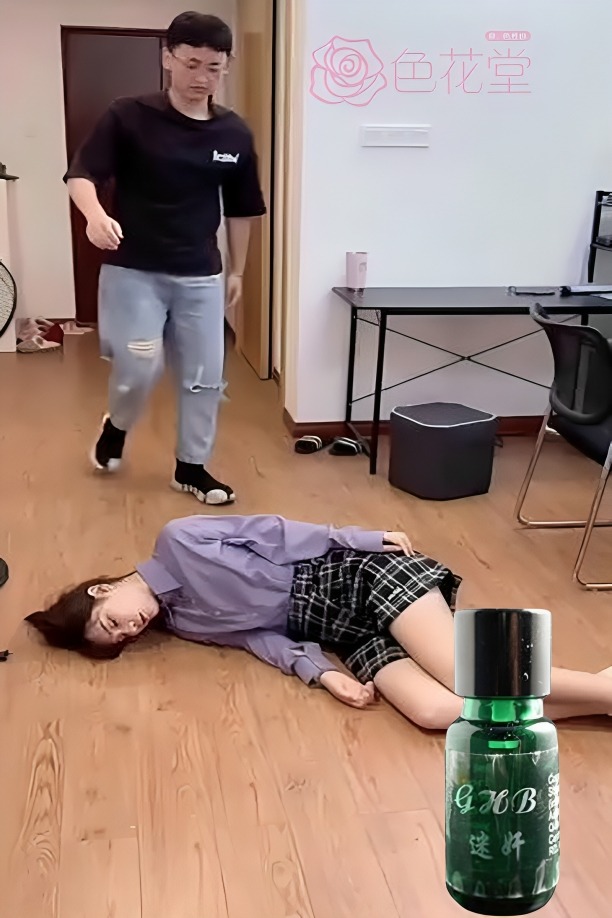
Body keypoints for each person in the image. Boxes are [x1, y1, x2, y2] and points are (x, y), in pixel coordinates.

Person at [25, 514, 612, 729]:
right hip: (343, 632)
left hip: (358, 578)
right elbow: (260, 639)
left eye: (111, 623)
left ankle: (605, 690)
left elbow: (275, 533)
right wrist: (323, 674)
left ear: (102, 590)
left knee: (464, 674)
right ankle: (599, 700)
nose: (128, 630)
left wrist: (361, 537)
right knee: (435, 712)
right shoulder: (184, 622)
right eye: (121, 640)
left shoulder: (179, 539)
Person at [64, 12, 266, 505]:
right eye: (192, 64)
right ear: (168, 59)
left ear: (227, 66)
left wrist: (238, 271)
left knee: (204, 380)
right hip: (134, 270)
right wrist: (94, 215)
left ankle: (191, 468)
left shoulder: (234, 134)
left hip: (200, 274)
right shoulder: (129, 115)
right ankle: (117, 424)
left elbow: (242, 209)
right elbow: (81, 174)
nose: (202, 78)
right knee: (140, 365)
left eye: (213, 67)